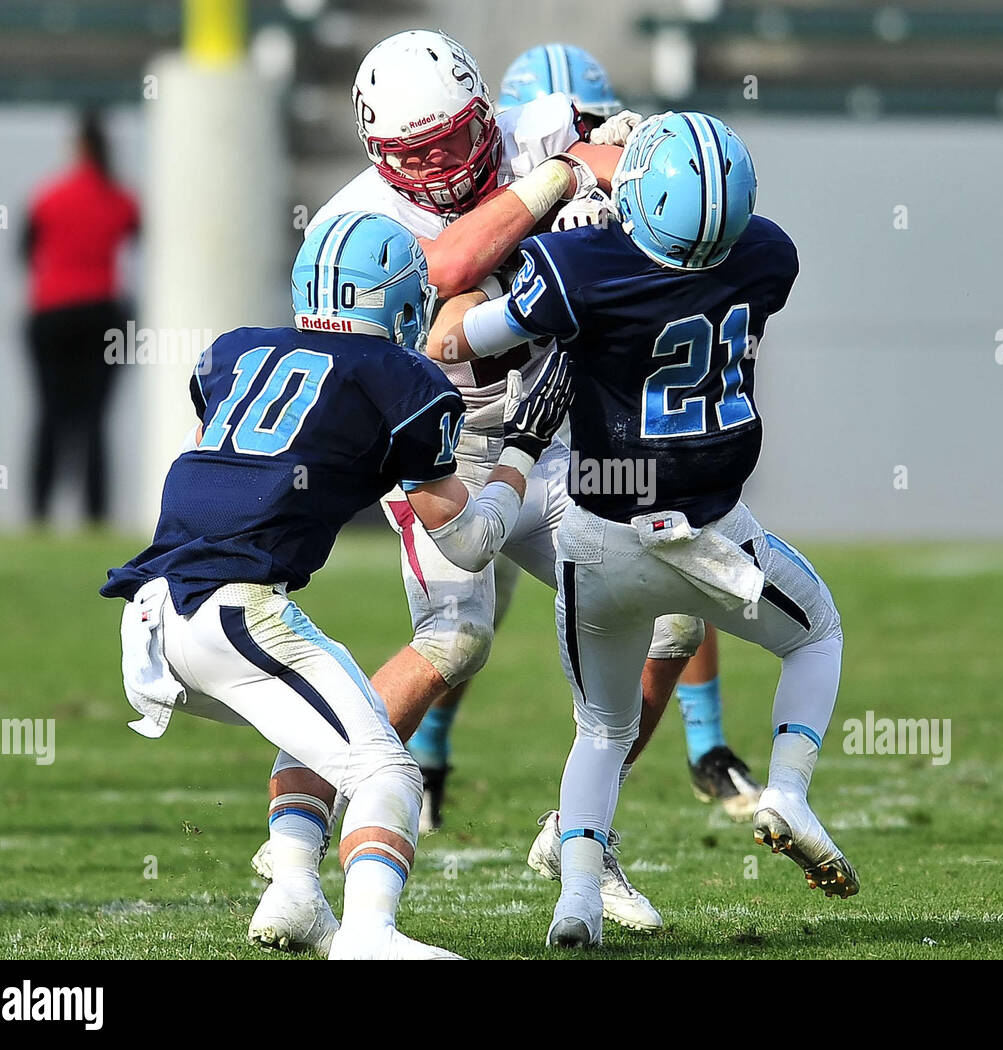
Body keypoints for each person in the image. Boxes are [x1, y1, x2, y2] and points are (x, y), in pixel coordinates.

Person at [249, 29, 671, 943]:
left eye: (453, 138)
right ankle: (298, 825)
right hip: (441, 448)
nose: (442, 165)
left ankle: (579, 834)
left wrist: (614, 163)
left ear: (486, 111)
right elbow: (446, 282)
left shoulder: (535, 126)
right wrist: (559, 183)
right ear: (379, 157)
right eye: (418, 153)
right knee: (458, 637)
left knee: (670, 609)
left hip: (553, 434)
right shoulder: (354, 223)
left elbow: (626, 151)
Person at [426, 112, 859, 948]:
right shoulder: (767, 255)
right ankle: (789, 792)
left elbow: (457, 341)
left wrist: (523, 278)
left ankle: (577, 904)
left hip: (599, 537)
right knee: (816, 635)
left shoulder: (579, 269)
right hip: (714, 535)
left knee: (601, 729)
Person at [99, 212, 572, 959]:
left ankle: (294, 893)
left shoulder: (235, 351)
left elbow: (219, 468)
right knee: (387, 769)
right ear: (397, 302)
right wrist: (523, 446)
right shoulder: (399, 377)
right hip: (233, 612)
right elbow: (473, 543)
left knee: (330, 722)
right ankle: (369, 935)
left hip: (151, 616)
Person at [498, 41, 767, 821]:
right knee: (463, 615)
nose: (583, 135)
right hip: (504, 430)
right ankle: (432, 760)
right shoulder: (504, 190)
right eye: (568, 125)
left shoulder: (643, 179)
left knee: (683, 540)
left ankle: (699, 748)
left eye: (590, 121)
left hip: (606, 422)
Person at [22, 109, 138, 525]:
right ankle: (95, 512)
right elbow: (137, 239)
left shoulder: (48, 197)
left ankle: (39, 510)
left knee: (50, 413)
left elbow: (26, 252)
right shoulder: (120, 199)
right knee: (93, 419)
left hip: (51, 312)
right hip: (102, 315)